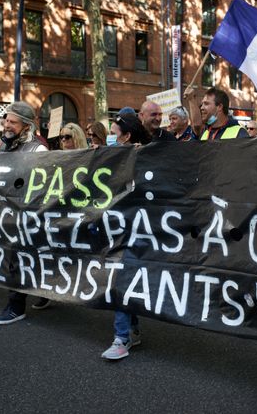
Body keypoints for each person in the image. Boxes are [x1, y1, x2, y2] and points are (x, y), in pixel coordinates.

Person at [0, 101, 49, 324]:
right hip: (8, 213)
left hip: (28, 215)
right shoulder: (7, 144)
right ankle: (44, 292)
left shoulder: (38, 149)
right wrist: (2, 145)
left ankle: (16, 306)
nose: (7, 125)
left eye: (12, 122)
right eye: (6, 120)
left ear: (26, 126)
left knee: (19, 258)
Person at [101, 114, 149, 360]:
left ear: (127, 136)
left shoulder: (144, 157)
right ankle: (131, 329)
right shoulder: (111, 157)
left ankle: (122, 337)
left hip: (138, 231)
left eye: (113, 132)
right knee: (125, 278)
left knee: (122, 277)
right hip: (118, 230)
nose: (110, 137)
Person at [31, 123, 89, 310]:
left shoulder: (89, 158)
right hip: (57, 213)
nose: (63, 141)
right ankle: (46, 291)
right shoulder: (56, 158)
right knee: (49, 252)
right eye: (61, 137)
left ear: (77, 138)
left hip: (79, 214)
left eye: (68, 137)